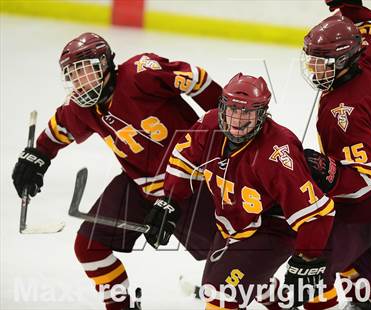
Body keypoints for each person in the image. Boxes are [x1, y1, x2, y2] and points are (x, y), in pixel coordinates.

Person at [11, 32, 223, 310]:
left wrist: (226, 125)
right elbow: (59, 127)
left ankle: (279, 301)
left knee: (230, 260)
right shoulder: (81, 106)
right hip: (138, 186)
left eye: (87, 72)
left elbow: (197, 78)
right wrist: (38, 155)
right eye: (74, 76)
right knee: (89, 247)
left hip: (189, 183)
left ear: (106, 64)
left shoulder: (140, 73)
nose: (81, 82)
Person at [143, 72, 336, 310]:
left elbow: (317, 213)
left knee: (221, 298)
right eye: (232, 109)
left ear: (263, 114)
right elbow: (183, 160)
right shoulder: (209, 124)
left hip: (272, 229)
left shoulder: (277, 152)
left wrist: (306, 259)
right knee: (220, 286)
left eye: (247, 112)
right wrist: (170, 201)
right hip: (233, 223)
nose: (236, 119)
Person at [296, 12, 371, 310]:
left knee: (315, 263)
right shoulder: (369, 59)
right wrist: (351, 7)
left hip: (370, 203)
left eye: (321, 62)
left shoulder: (343, 113)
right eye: (311, 59)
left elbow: (363, 177)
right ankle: (366, 301)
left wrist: (327, 173)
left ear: (343, 61)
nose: (313, 68)